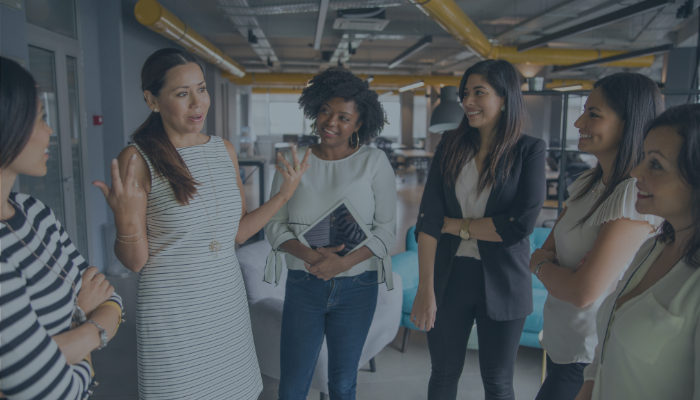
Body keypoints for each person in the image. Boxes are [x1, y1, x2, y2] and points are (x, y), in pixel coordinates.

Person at [93, 48, 309, 400]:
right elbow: (134, 262)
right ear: (152, 99)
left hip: (225, 301)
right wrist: (125, 219)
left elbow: (237, 232)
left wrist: (283, 196)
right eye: (182, 94)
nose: (198, 103)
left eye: (202, 89)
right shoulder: (137, 158)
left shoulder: (223, 149)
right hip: (173, 310)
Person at [410, 59, 546, 400]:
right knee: (442, 375)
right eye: (465, 93)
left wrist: (456, 226)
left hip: (505, 280)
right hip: (450, 278)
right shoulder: (449, 144)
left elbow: (518, 226)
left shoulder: (528, 150)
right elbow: (428, 221)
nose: (468, 101)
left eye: (479, 93)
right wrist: (426, 289)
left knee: (498, 382)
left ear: (505, 97)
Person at [264, 67, 396, 400]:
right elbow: (273, 224)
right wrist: (310, 256)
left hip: (358, 287)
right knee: (293, 386)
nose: (331, 122)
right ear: (314, 109)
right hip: (304, 284)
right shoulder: (293, 161)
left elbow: (386, 231)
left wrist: (343, 263)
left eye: (343, 117)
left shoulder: (374, 162)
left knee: (342, 383)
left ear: (359, 123)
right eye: (325, 111)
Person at [530, 73, 664, 400]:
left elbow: (581, 292)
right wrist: (554, 267)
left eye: (593, 114)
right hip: (564, 346)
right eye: (584, 110)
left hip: (588, 357)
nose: (579, 121)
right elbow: (547, 246)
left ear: (629, 123)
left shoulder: (634, 195)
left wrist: (540, 266)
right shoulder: (590, 181)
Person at [0, 57, 123, 399]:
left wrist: (61, 344)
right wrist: (87, 324)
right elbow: (55, 391)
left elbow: (112, 298)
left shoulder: (34, 211)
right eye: (40, 118)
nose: (50, 132)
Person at [575, 103, 700, 400]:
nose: (635, 171)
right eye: (644, 157)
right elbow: (604, 358)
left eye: (655, 164)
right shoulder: (653, 247)